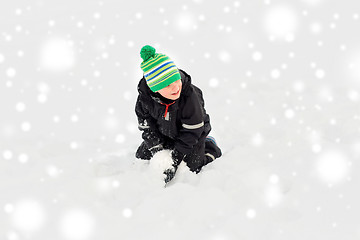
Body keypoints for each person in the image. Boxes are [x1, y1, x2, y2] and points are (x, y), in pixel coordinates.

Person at [135, 45, 222, 183]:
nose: (175, 87)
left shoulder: (190, 97)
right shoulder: (145, 100)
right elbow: (146, 127)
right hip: (164, 134)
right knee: (142, 156)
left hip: (193, 134)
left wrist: (174, 159)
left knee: (192, 166)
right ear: (155, 89)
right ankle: (166, 148)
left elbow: (192, 131)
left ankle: (209, 145)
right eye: (167, 85)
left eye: (176, 80)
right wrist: (158, 152)